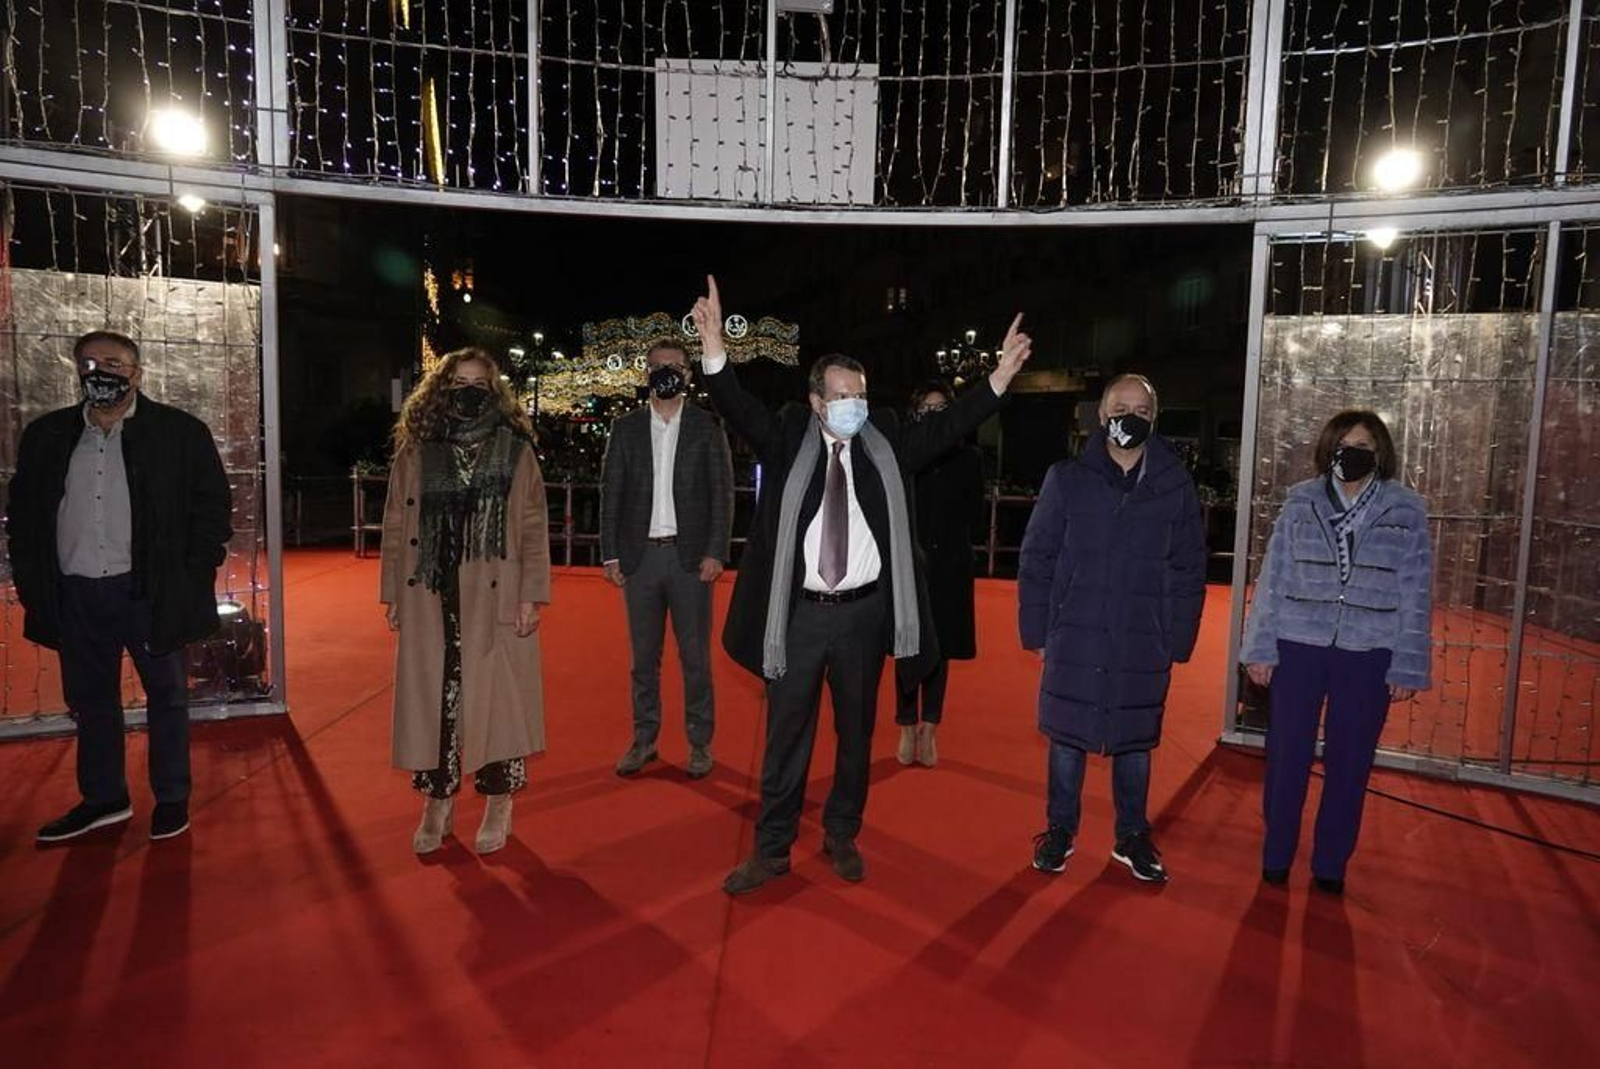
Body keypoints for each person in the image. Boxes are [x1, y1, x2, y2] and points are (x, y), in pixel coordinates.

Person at [692, 275, 1032, 894]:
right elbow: (738, 407)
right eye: (843, 395)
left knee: (856, 735)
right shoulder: (788, 434)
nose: (855, 405)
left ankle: (842, 832)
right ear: (817, 401)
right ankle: (772, 849)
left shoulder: (887, 441)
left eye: (861, 395)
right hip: (798, 617)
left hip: (863, 618)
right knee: (786, 738)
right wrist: (714, 347)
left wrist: (1000, 377)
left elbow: (948, 426)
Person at [9, 330, 232, 844]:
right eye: (89, 363)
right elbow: (24, 515)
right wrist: (31, 580)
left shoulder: (179, 433)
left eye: (113, 363)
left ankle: (171, 798)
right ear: (77, 371)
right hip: (75, 590)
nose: (101, 373)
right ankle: (104, 798)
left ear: (137, 373)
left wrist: (192, 576)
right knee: (91, 702)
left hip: (149, 592)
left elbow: (211, 509)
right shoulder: (47, 435)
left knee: (168, 697)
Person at [1018, 373, 1206, 884]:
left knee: (1134, 739)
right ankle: (1060, 829)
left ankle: (1132, 834)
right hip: (1075, 631)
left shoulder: (1174, 485)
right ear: (1101, 416)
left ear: (1154, 420)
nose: (1130, 418)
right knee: (1066, 737)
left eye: (1142, 412)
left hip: (1143, 635)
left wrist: (1178, 638)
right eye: (1121, 409)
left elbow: (1190, 566)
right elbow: (1038, 556)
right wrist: (1037, 631)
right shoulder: (1067, 479)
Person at [1241, 410, 1432, 895]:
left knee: (1351, 761)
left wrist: (1408, 662)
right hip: (1298, 643)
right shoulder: (1300, 502)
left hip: (1369, 650)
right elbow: (1273, 577)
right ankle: (1276, 854)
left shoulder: (1405, 510)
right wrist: (1260, 647)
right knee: (1286, 754)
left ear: (1380, 452)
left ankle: (1330, 863)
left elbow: (1416, 590)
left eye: (1364, 445)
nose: (1353, 452)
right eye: (1344, 444)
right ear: (1329, 449)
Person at [380, 347, 550, 855]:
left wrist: (531, 595)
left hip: (495, 592)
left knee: (497, 700)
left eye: (479, 384)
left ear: (494, 391)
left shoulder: (515, 450)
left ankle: (498, 801)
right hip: (431, 591)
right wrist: (392, 593)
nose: (469, 392)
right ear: (440, 390)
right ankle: (437, 801)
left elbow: (533, 525)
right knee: (437, 700)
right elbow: (395, 522)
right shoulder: (417, 450)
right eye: (458, 384)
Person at [600, 339, 734, 779]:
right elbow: (610, 494)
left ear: (689, 375)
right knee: (643, 661)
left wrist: (716, 550)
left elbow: (722, 493)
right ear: (646, 373)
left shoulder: (707, 426)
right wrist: (610, 554)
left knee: (695, 660)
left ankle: (700, 744)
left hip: (689, 560)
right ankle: (644, 740)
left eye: (674, 366)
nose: (666, 373)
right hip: (639, 560)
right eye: (658, 366)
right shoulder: (625, 428)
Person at [893, 379, 987, 768]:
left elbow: (975, 516)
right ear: (914, 414)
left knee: (941, 647)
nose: (933, 416)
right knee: (906, 643)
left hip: (950, 565)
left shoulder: (969, 459)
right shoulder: (902, 454)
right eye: (925, 409)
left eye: (941, 410)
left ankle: (929, 726)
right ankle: (905, 724)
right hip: (908, 564)